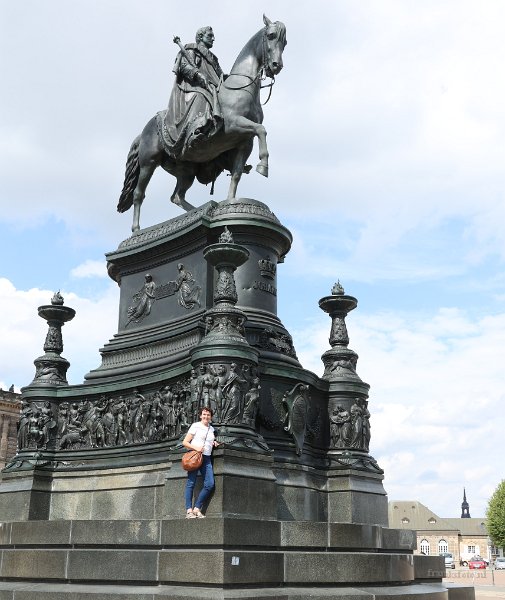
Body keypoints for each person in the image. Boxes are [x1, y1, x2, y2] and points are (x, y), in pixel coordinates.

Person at [164, 26, 224, 159]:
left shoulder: (213, 58)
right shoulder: (191, 50)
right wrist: (197, 75)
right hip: (192, 86)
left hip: (212, 87)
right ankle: (194, 131)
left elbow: (220, 76)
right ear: (200, 37)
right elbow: (185, 66)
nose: (213, 38)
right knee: (201, 97)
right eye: (210, 36)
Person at [182, 406, 219, 518]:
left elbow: (209, 440)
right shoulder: (195, 426)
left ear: (211, 417)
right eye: (204, 414)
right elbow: (185, 442)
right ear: (200, 415)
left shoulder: (211, 429)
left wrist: (214, 443)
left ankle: (197, 508)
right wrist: (196, 448)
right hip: (195, 457)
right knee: (191, 483)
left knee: (209, 484)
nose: (206, 416)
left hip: (206, 458)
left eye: (208, 415)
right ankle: (189, 510)